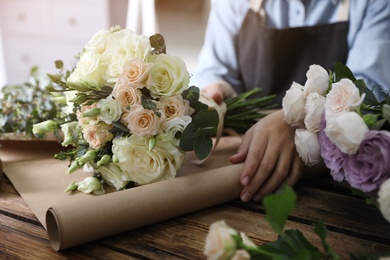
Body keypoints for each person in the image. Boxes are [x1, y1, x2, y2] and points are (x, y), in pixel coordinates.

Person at [191, 0, 390, 202]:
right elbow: (214, 69)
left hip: (330, 182)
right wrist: (217, 88)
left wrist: (298, 122)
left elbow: (370, 93)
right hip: (245, 144)